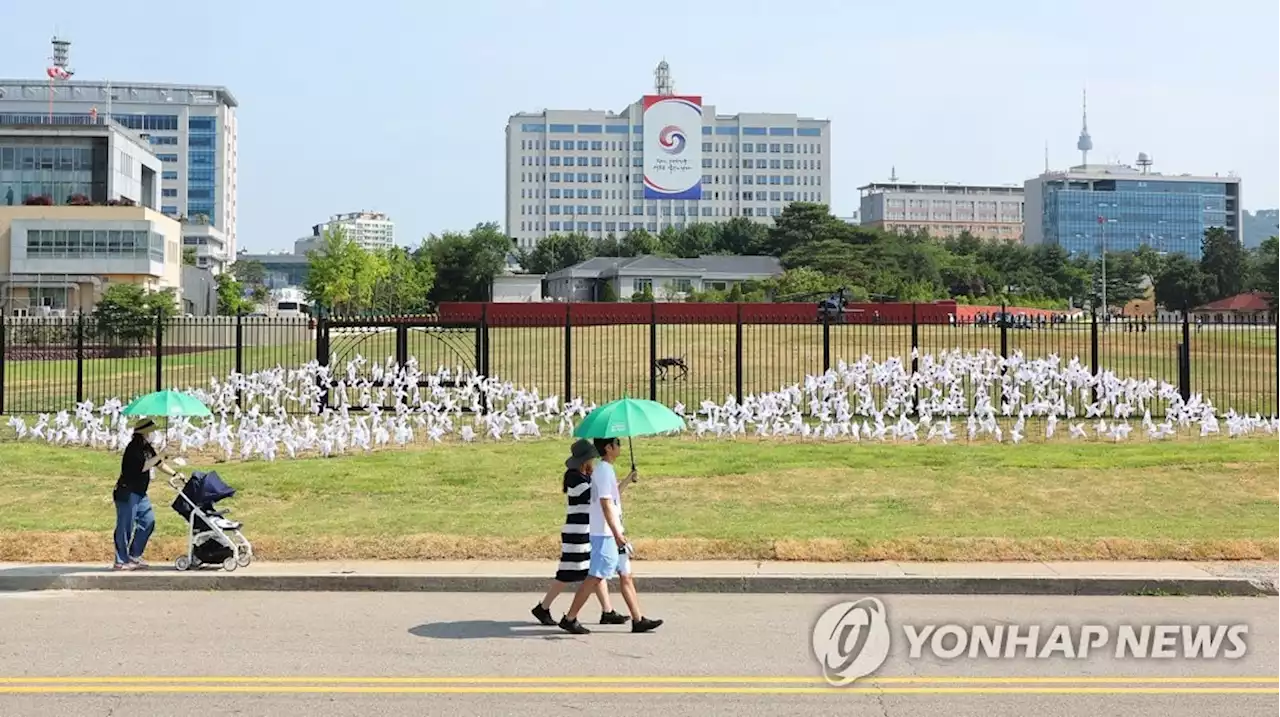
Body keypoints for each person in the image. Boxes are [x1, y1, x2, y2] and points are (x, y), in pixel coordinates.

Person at [558, 437, 662, 635]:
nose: (620, 447)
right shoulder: (604, 471)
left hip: (612, 531)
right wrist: (616, 534)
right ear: (608, 447)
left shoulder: (605, 470)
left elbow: (612, 497)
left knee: (626, 575)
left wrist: (628, 479)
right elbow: (605, 505)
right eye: (617, 444)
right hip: (605, 534)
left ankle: (638, 619)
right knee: (595, 577)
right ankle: (570, 618)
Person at [531, 439, 629, 626]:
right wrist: (605, 480)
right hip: (576, 532)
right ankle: (543, 608)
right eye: (591, 458)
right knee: (568, 573)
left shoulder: (587, 476)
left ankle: (607, 611)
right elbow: (595, 497)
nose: (594, 461)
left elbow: (608, 495)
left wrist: (625, 481)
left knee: (594, 570)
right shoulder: (574, 478)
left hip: (586, 530)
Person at [113, 419, 179, 570]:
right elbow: (143, 467)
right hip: (128, 492)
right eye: (151, 431)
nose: (153, 434)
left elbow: (158, 463)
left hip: (140, 493)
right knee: (125, 526)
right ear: (144, 432)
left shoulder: (146, 447)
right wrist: (162, 453)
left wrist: (175, 473)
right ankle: (120, 561)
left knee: (148, 521)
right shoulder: (133, 448)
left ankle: (134, 556)